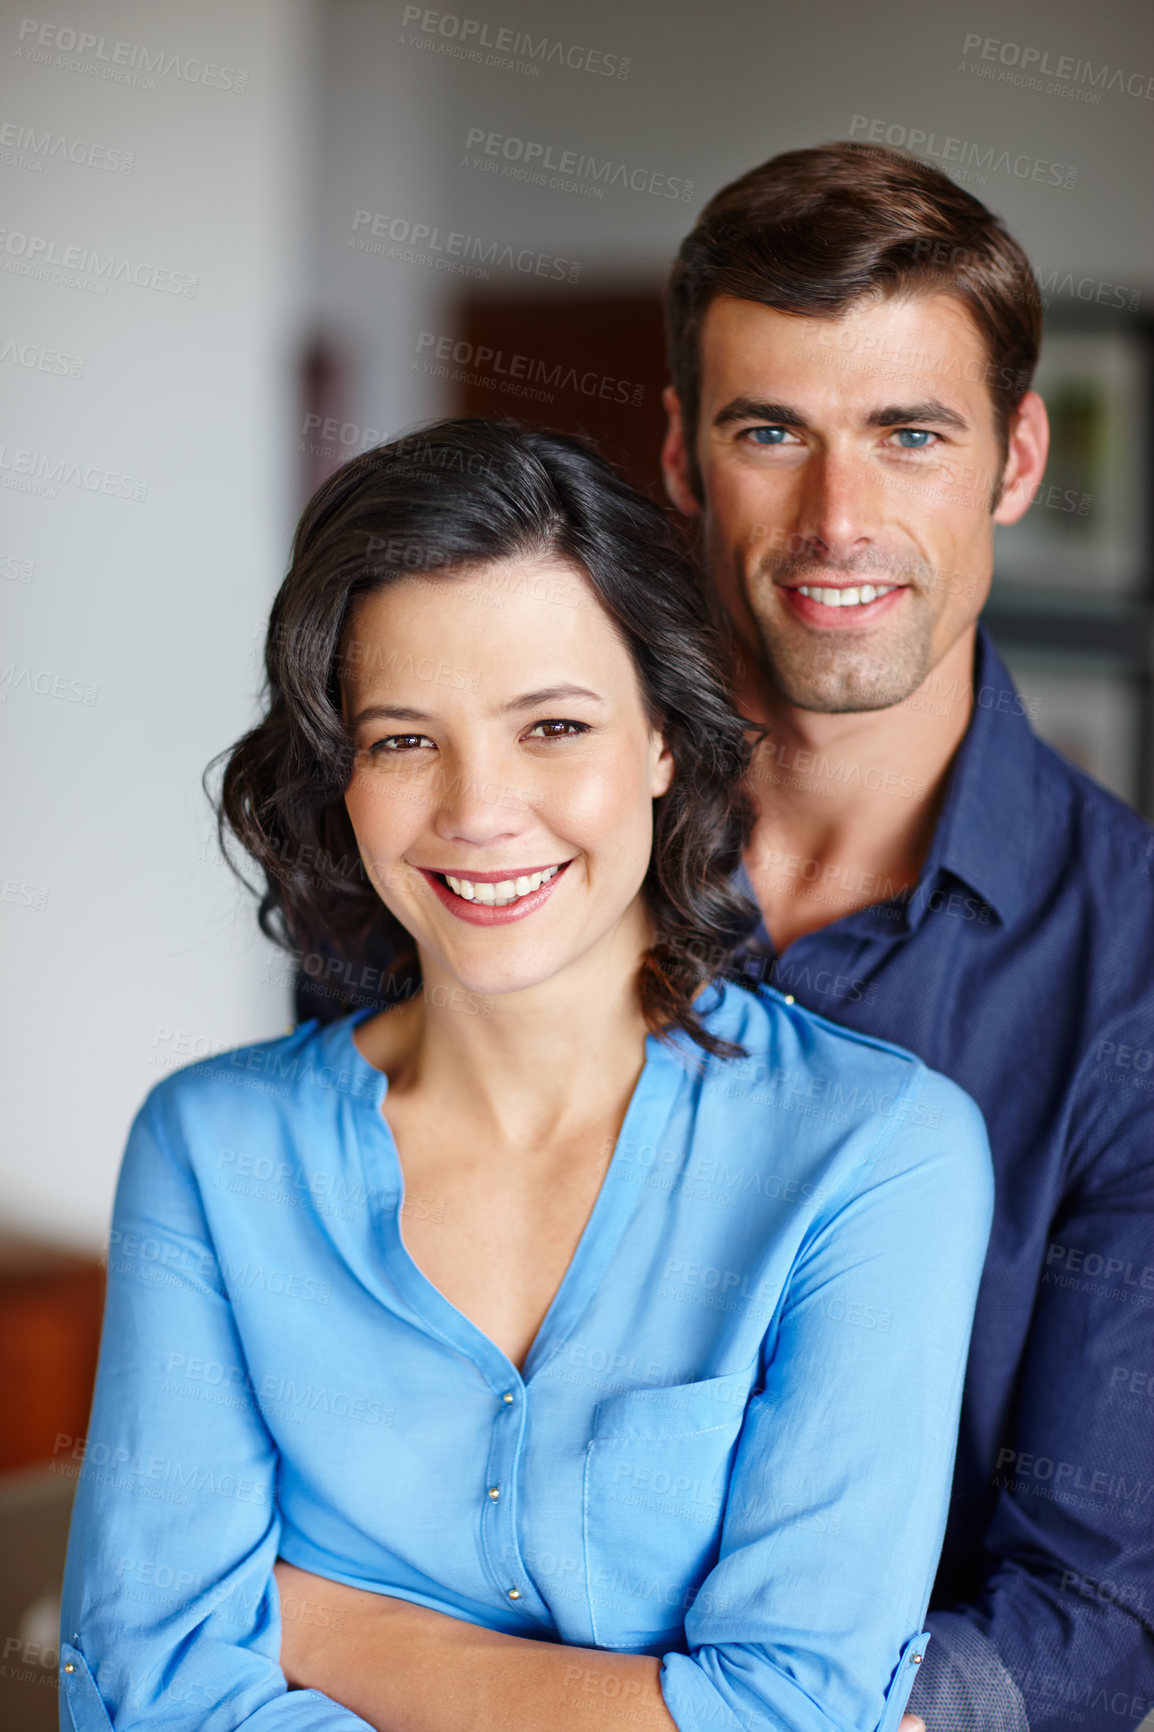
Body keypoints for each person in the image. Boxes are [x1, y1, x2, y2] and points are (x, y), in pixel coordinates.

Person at [59, 419, 993, 1732]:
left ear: (664, 739)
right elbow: (148, 1695)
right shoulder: (212, 1151)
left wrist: (325, 1623)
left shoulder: (876, 1150)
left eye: (552, 725)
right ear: (342, 773)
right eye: (401, 740)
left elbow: (797, 1709)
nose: (478, 809)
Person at [654, 143, 1154, 1732]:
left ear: (1014, 459)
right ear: (682, 455)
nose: (836, 518)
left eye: (907, 433)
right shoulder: (500, 865)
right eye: (769, 432)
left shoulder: (1135, 976)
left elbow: (1094, 1613)